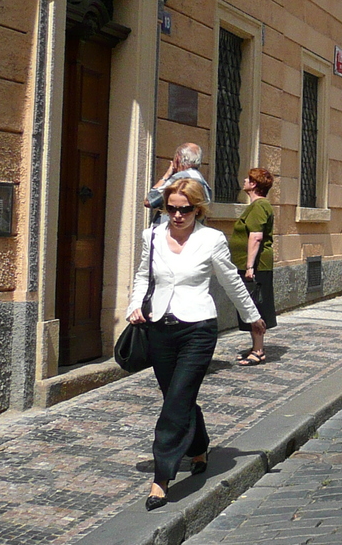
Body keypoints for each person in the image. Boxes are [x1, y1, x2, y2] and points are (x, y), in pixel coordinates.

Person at [127, 178, 264, 510]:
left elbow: (230, 279)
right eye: (171, 208)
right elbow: (144, 276)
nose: (177, 215)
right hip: (159, 326)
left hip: (198, 329)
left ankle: (161, 478)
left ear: (197, 209)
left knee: (175, 402)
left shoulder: (211, 239)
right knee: (178, 397)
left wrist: (253, 318)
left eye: (184, 209)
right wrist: (134, 305)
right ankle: (199, 447)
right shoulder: (153, 236)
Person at [228, 169, 276, 365]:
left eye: (248, 178)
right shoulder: (256, 206)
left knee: (255, 306)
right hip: (250, 265)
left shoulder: (259, 206)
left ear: (255, 184)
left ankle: (258, 350)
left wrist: (249, 267)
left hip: (256, 267)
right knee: (250, 305)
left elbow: (256, 236)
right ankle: (256, 345)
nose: (245, 180)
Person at [145, 143, 213, 209]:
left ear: (178, 158)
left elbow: (149, 201)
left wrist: (166, 175)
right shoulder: (201, 180)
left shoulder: (180, 178)